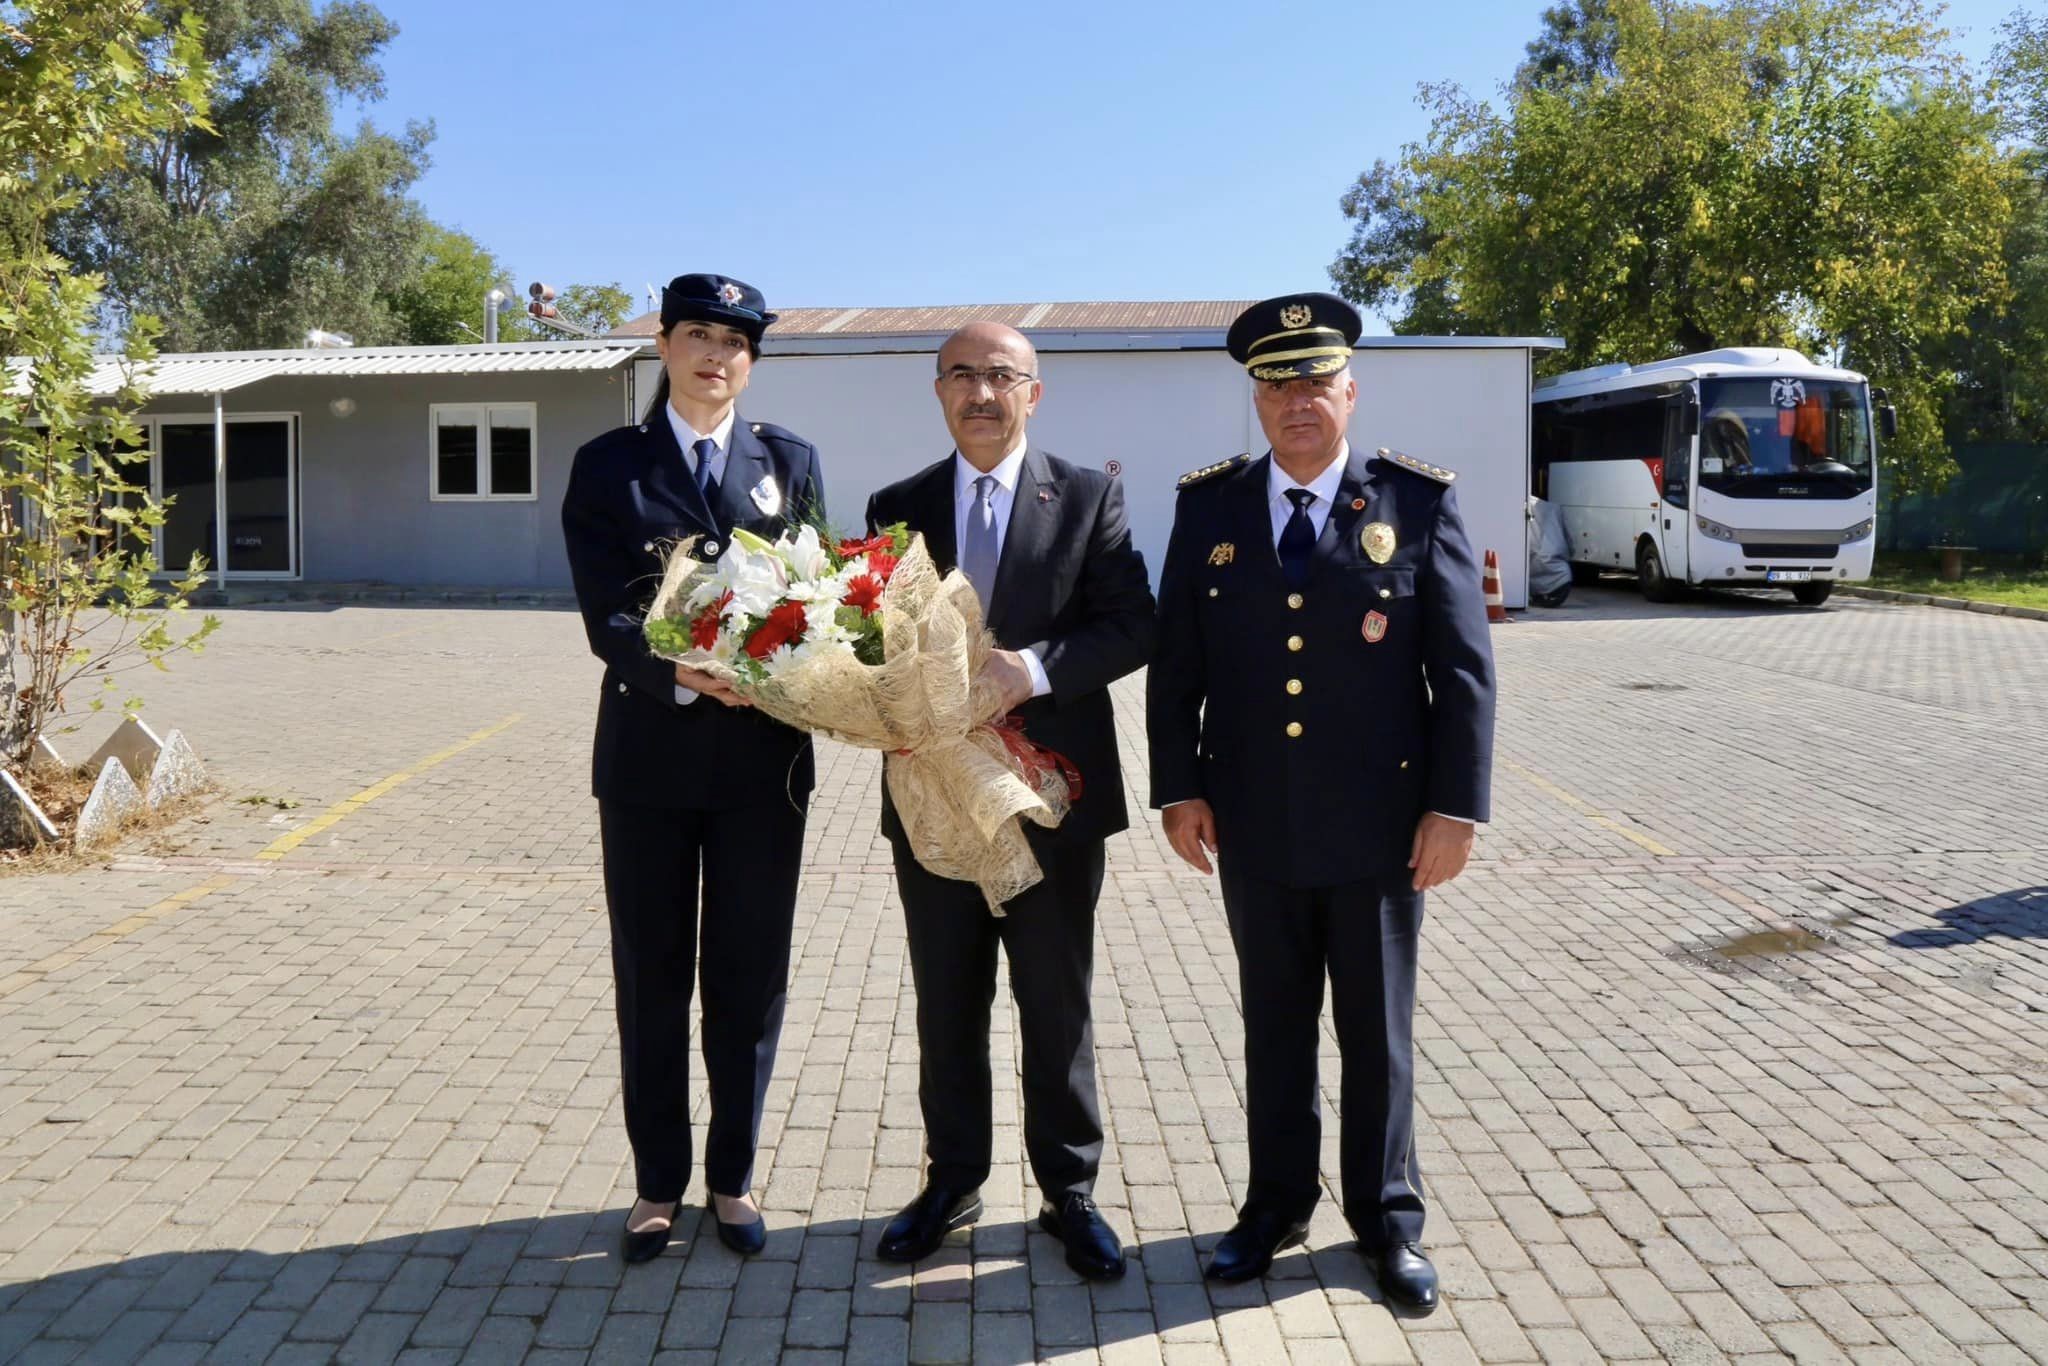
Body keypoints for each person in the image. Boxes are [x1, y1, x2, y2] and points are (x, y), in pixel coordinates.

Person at [1146, 293, 1496, 1312]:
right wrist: (1180, 789)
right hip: (1251, 821)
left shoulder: (1413, 503)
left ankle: (1387, 1218)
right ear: (1253, 397)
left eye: (1314, 380)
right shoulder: (1209, 507)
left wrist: (1454, 808)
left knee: (1375, 1031)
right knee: (1273, 1026)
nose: (1295, 399)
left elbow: (1462, 673)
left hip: (1382, 826)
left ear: (1350, 389)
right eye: (1274, 381)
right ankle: (1273, 1205)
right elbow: (1177, 666)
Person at [863, 322, 1155, 1280]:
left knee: (1054, 1000)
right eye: (963, 377)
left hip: (1050, 800)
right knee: (948, 999)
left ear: (1037, 391)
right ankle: (952, 1180)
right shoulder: (895, 509)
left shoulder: (1087, 496)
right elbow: (868, 648)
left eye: (1002, 376)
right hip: (935, 802)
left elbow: (1130, 624)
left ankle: (1068, 1189)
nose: (982, 393)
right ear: (937, 390)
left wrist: (1026, 670)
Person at [560, 273, 824, 1264]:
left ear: (750, 359)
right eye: (698, 334)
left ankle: (733, 1175)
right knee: (653, 973)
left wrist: (790, 665)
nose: (717, 354)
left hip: (764, 760)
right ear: (663, 345)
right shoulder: (607, 465)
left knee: (749, 978)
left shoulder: (786, 460)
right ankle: (656, 1185)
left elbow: (812, 593)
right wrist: (682, 667)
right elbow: (605, 614)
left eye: (736, 340)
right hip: (648, 759)